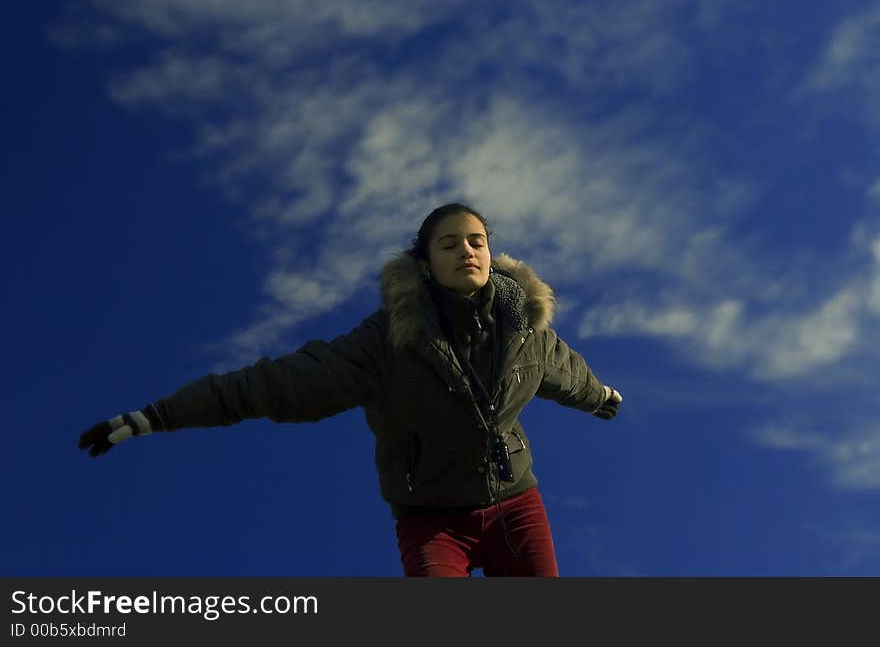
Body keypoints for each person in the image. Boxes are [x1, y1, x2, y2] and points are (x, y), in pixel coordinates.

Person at [79, 203, 623, 576]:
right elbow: (271, 384)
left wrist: (602, 398)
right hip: (432, 520)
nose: (467, 251)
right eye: (449, 243)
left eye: (476, 241)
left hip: (515, 508)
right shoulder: (385, 342)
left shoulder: (524, 329)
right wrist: (156, 416)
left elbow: (566, 371)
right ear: (426, 264)